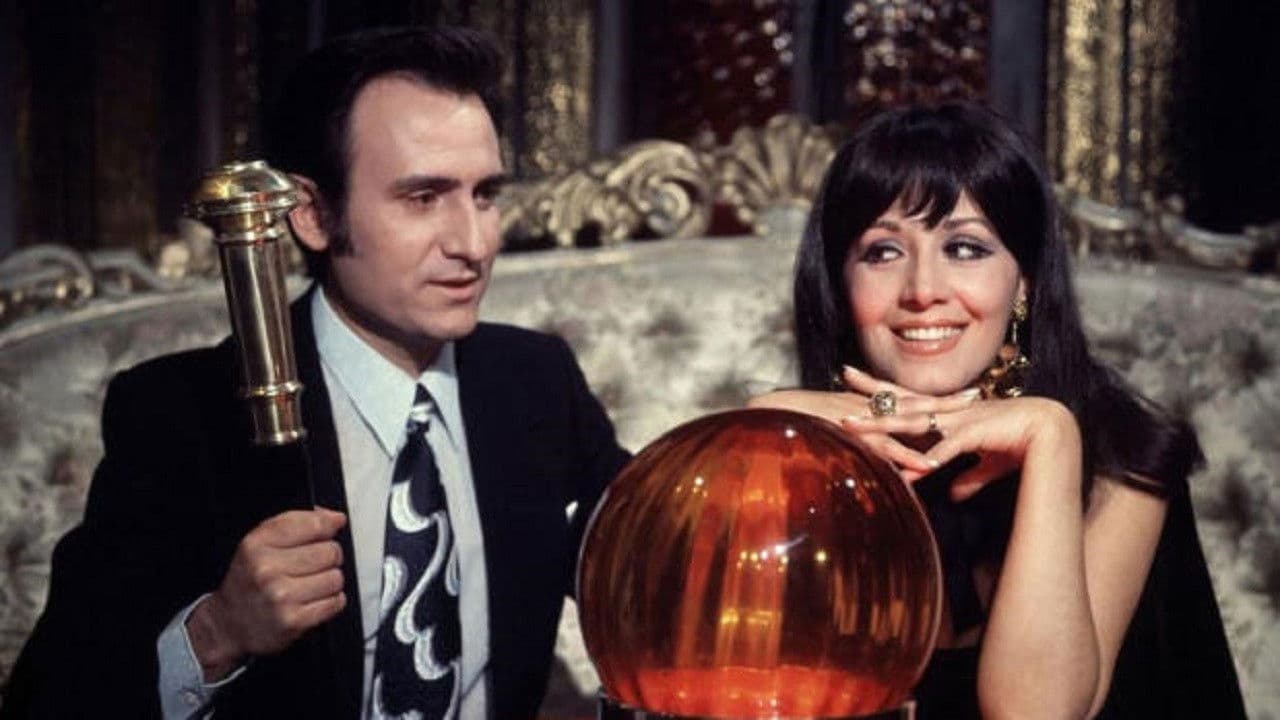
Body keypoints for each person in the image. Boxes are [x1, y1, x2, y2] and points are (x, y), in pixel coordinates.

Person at [2, 26, 629, 719]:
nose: (473, 243)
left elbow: (656, 545)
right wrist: (219, 632)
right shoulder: (182, 414)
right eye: (423, 197)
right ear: (311, 214)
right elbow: (48, 700)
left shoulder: (537, 381)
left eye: (484, 194)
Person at [751, 102, 1245, 718]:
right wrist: (765, 427)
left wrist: (1049, 435)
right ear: (840, 284)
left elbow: (1032, 714)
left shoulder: (1126, 453)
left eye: (964, 248)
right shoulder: (814, 448)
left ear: (1024, 281)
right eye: (883, 252)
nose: (923, 291)